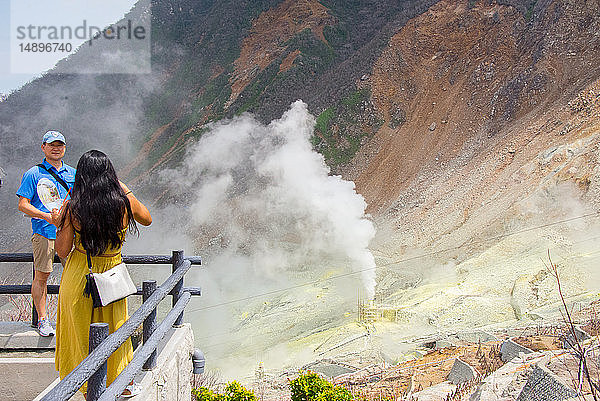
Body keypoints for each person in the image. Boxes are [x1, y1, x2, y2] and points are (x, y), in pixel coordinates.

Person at [53, 150, 152, 397]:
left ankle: (88, 391)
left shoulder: (72, 207)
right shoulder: (124, 203)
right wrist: (125, 189)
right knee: (116, 330)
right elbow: (147, 219)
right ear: (110, 174)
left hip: (80, 277)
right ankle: (123, 384)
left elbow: (63, 250)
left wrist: (60, 222)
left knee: (79, 333)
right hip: (112, 277)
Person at [16, 130, 76, 336]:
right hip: (44, 232)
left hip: (70, 233)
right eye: (52, 145)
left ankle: (72, 317)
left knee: (74, 274)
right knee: (42, 275)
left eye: (60, 145)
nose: (56, 148)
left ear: (65, 148)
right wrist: (45, 216)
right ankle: (43, 320)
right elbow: (23, 204)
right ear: (43, 147)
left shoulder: (73, 173)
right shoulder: (33, 174)